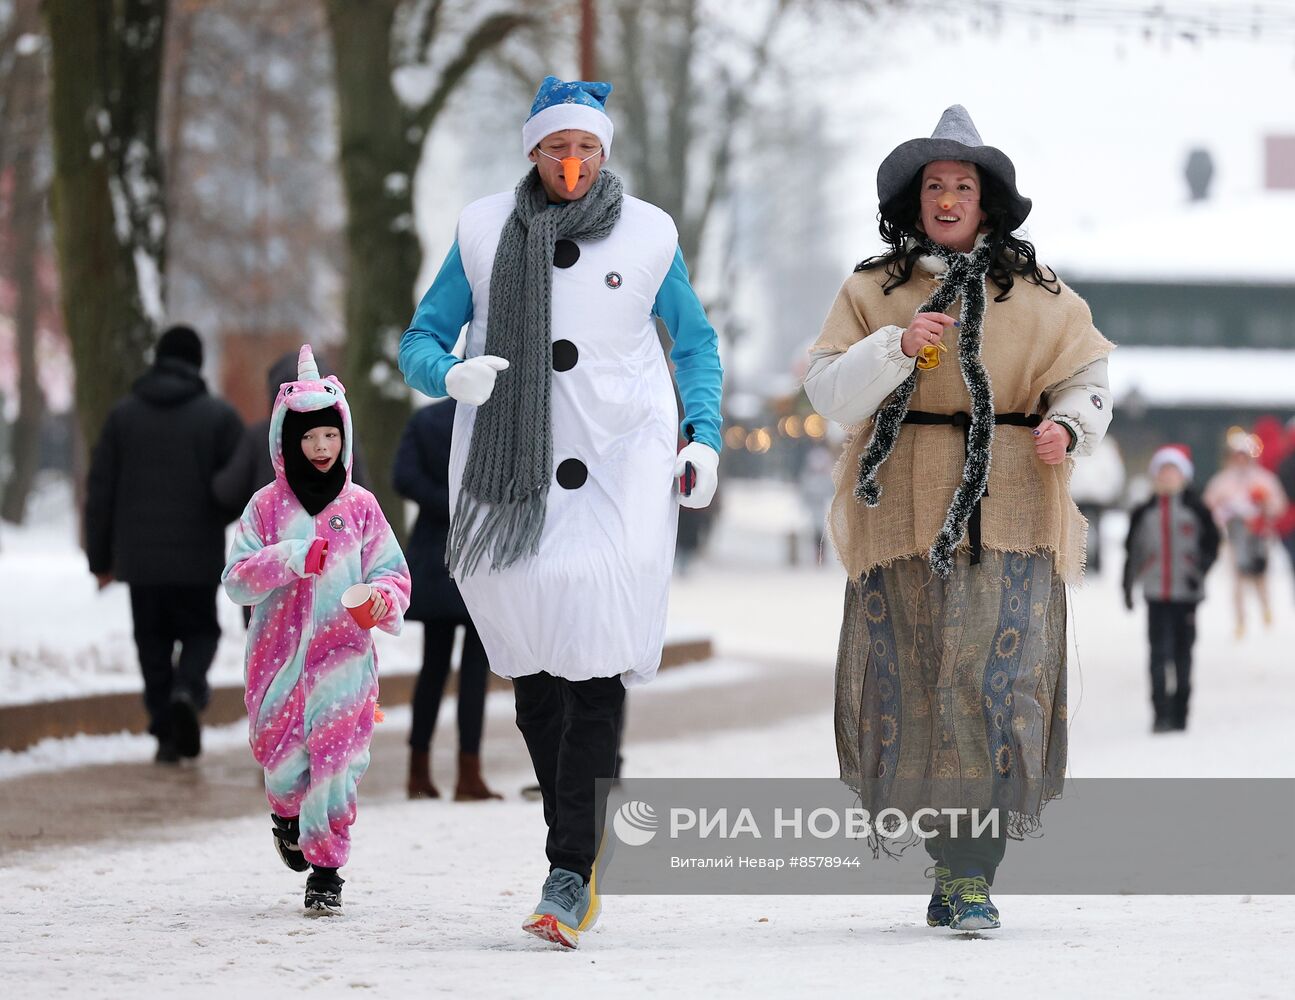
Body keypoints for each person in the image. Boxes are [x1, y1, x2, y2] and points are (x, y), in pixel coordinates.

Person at [398, 76, 723, 949]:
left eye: (585, 149)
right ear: (534, 153)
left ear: (603, 154)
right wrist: (448, 375)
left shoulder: (649, 233)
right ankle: (572, 845)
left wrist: (703, 437)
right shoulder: (478, 231)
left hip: (620, 467)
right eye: (556, 148)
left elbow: (693, 343)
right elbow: (420, 340)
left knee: (595, 666)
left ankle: (569, 868)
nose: (571, 163)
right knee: (537, 678)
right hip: (510, 482)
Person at [802, 106, 1113, 931]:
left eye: (962, 186)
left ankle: (971, 871)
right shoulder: (873, 289)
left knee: (991, 687)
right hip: (901, 510)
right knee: (921, 684)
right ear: (912, 200)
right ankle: (950, 863)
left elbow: (1087, 375)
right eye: (933, 185)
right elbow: (827, 393)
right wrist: (895, 347)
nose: (946, 198)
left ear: (987, 201)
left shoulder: (1040, 294)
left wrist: (1068, 423)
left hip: (1010, 509)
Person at [222, 345, 411, 916]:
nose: (322, 448)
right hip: (277, 664)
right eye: (311, 438)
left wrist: (379, 601)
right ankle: (284, 814)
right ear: (288, 441)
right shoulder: (264, 508)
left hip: (344, 665)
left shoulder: (361, 508)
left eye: (331, 436)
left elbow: (394, 574)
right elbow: (235, 580)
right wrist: (290, 559)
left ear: (343, 437)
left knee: (336, 768)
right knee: (283, 766)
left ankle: (327, 871)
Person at [85, 325, 244, 763]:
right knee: (200, 632)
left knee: (151, 642)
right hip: (197, 556)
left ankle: (164, 731)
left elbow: (100, 492)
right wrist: (217, 516)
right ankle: (187, 691)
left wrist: (100, 558)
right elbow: (235, 486)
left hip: (141, 561)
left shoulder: (123, 416)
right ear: (196, 363)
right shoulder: (219, 418)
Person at [393, 398, 500, 801]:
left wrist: (444, 501)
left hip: (436, 550)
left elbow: (403, 476)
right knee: (475, 668)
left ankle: (417, 771)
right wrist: (468, 505)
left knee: (433, 666)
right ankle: (468, 774)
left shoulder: (426, 420)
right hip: (481, 553)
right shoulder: (494, 422)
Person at [1123, 445, 1220, 732]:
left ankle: (1181, 712)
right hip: (1156, 594)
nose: (1167, 477)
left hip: (1186, 596)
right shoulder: (1144, 512)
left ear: (1184, 476)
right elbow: (1133, 552)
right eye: (1162, 471)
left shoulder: (1197, 510)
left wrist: (1199, 570)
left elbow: (1212, 545)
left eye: (1173, 471)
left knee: (1183, 654)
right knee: (1158, 654)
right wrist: (1127, 586)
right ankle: (1160, 713)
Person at [1203, 429, 1289, 638]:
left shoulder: (1264, 479)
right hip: (1234, 537)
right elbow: (1209, 507)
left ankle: (1265, 609)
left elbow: (1278, 505)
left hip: (1258, 536)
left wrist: (1263, 505)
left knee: (1260, 576)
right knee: (1238, 579)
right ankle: (1240, 620)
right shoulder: (1222, 481)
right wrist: (1224, 515)